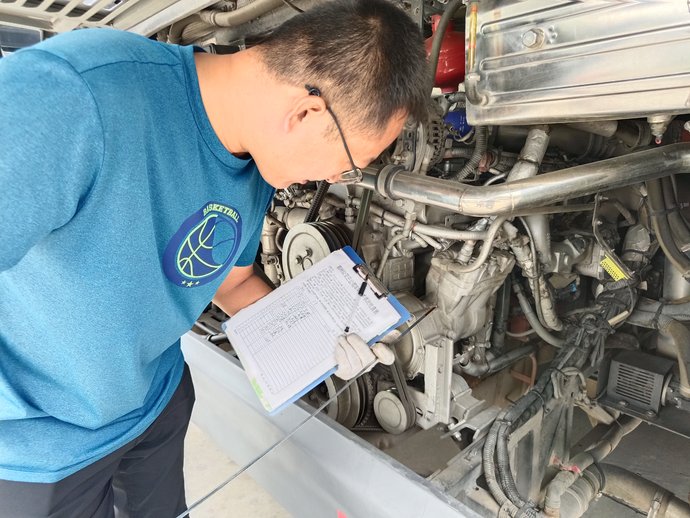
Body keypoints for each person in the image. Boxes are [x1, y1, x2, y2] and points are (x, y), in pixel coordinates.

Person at [0, 0, 429, 516]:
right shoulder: (72, 94)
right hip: (43, 447)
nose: (336, 179)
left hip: (155, 403)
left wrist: (325, 336)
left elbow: (232, 282)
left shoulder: (255, 158)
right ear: (306, 113)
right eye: (349, 163)